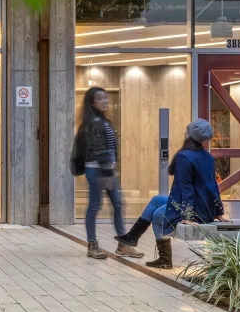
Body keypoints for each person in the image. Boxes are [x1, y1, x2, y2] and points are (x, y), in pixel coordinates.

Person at [114, 118, 225, 269]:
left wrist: (187, 216)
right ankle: (132, 237)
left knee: (158, 215)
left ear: (190, 135)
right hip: (204, 207)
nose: (184, 132)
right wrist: (218, 211)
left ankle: (165, 259)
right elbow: (213, 185)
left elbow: (186, 188)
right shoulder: (208, 157)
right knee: (157, 199)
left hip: (193, 209)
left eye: (187, 130)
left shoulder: (184, 157)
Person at [70, 87, 144, 260]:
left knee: (118, 205)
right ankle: (92, 245)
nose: (105, 101)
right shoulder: (92, 123)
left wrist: (112, 168)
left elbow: (111, 148)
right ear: (92, 102)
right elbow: (97, 150)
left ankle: (123, 244)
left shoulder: (103, 121)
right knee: (95, 207)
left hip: (106, 169)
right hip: (97, 170)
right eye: (100, 98)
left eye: (106, 98)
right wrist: (106, 173)